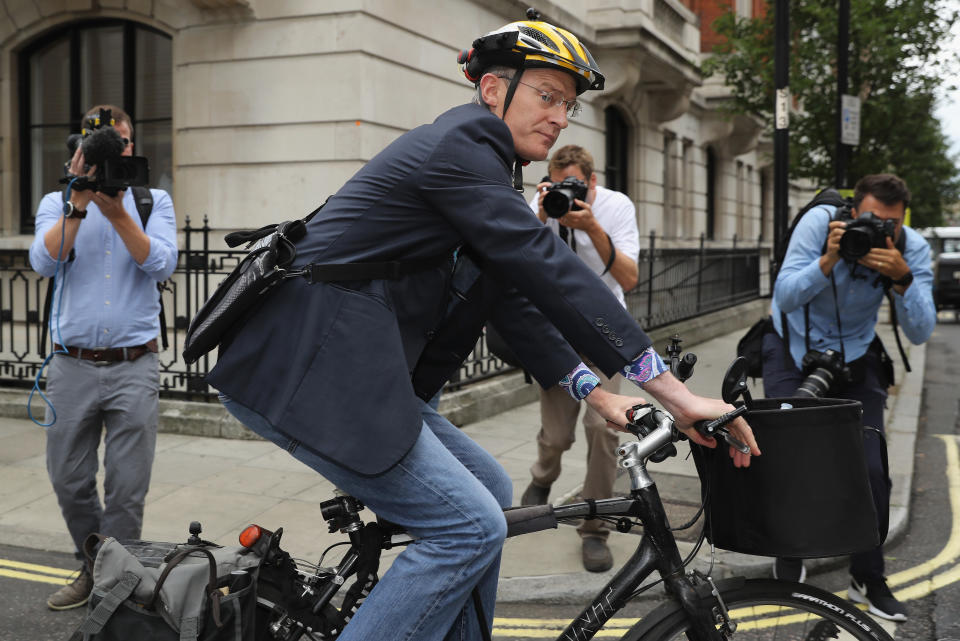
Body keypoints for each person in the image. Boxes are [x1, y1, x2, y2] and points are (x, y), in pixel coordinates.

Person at [207, 16, 759, 641]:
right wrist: (675, 394)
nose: (560, 116)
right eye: (546, 95)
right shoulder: (459, 148)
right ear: (495, 91)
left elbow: (513, 302)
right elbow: (547, 267)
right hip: (306, 371)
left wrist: (599, 394)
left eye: (569, 105)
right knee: (468, 526)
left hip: (355, 372)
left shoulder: (489, 170)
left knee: (492, 491)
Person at [762, 173, 935, 622]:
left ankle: (869, 576)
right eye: (872, 220)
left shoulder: (909, 248)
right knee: (785, 455)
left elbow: (920, 330)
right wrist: (831, 257)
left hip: (855, 353)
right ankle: (791, 555)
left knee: (871, 468)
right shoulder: (821, 224)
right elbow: (784, 294)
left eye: (891, 223)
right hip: (792, 344)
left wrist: (903, 279)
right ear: (854, 210)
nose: (881, 231)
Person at [29, 104, 178, 610]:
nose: (117, 150)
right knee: (69, 481)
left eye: (122, 141)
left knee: (127, 491)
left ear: (132, 147)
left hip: (135, 364)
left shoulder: (152, 199)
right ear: (80, 152)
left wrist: (116, 212)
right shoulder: (59, 200)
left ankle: (114, 591)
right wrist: (78, 203)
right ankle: (96, 568)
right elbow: (44, 261)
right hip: (71, 365)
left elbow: (160, 263)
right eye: (103, 143)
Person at [519, 144, 640, 572]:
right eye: (558, 185)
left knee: (603, 429)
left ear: (591, 183)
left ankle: (595, 527)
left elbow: (628, 277)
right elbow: (518, 262)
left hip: (603, 332)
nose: (566, 195)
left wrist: (591, 228)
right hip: (556, 333)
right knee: (556, 437)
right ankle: (542, 477)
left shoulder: (615, 206)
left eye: (575, 185)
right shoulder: (541, 203)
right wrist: (538, 214)